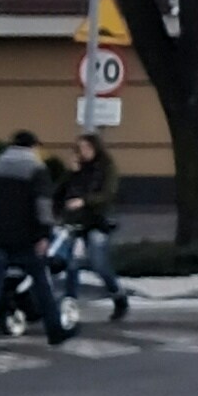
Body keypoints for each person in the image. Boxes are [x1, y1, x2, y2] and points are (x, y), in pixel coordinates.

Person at [0, 128, 67, 353]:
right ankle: (55, 331)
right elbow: (43, 206)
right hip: (26, 238)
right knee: (41, 284)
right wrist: (43, 234)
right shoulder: (36, 169)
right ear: (33, 147)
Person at [55, 130, 130, 321]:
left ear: (96, 147)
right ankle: (70, 304)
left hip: (97, 221)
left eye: (87, 147)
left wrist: (85, 201)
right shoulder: (76, 169)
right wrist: (69, 173)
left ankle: (118, 295)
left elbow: (107, 194)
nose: (84, 151)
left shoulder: (106, 167)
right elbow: (59, 193)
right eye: (80, 148)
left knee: (99, 264)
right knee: (72, 263)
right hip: (74, 222)